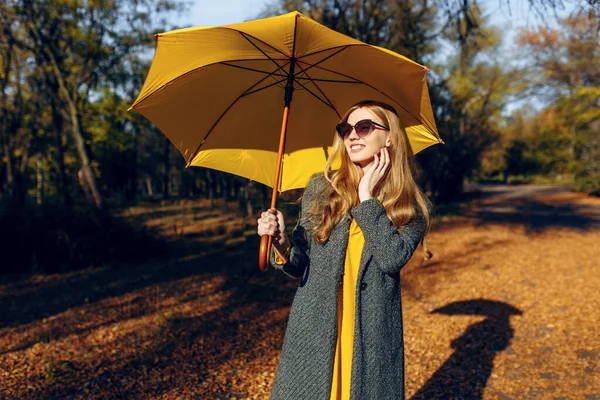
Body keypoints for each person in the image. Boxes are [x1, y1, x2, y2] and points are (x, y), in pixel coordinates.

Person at [257, 100, 431, 400]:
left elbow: (392, 259)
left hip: (371, 336)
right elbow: (300, 264)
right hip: (316, 328)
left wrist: (367, 200)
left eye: (364, 127)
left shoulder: (409, 205)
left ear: (389, 137)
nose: (352, 135)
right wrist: (282, 242)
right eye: (346, 129)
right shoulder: (322, 188)